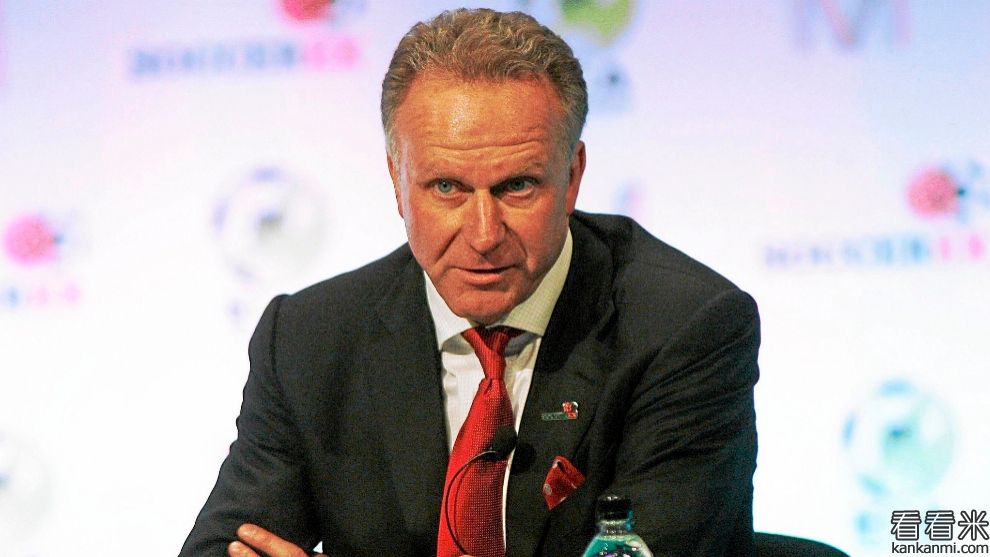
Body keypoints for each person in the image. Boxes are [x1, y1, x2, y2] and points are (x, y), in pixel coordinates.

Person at [179, 8, 760, 557]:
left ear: (572, 176)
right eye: (447, 188)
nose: (484, 235)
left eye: (517, 186)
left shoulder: (683, 330)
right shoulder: (310, 339)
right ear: (396, 180)